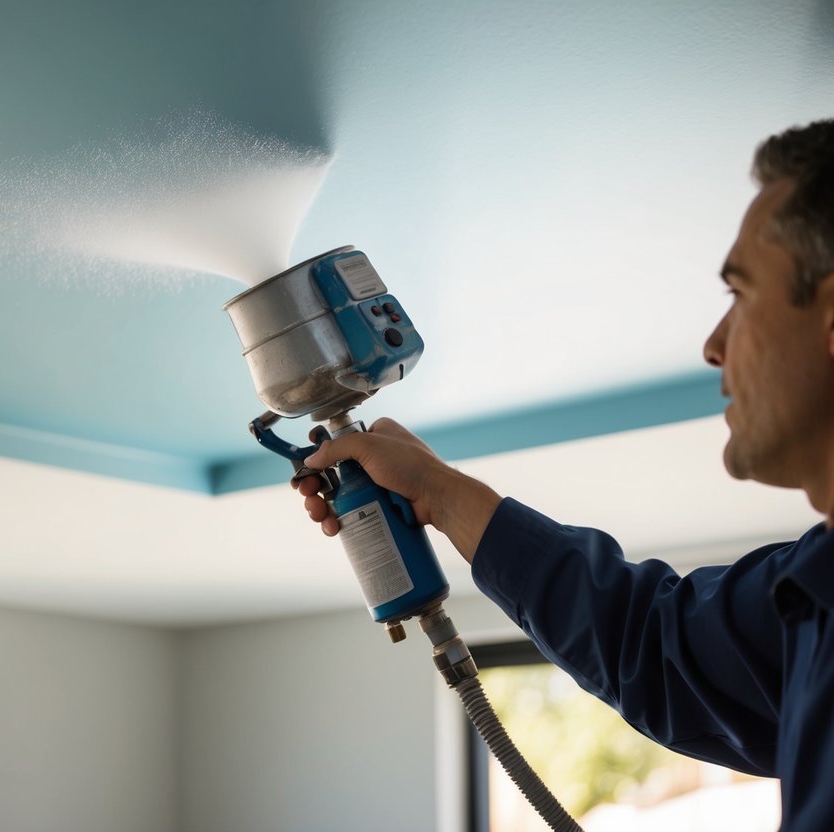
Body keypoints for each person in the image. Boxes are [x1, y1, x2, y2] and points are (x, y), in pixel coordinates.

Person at [296, 118, 834, 831]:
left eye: (739, 294)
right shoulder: (810, 601)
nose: (712, 345)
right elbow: (652, 644)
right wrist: (439, 492)